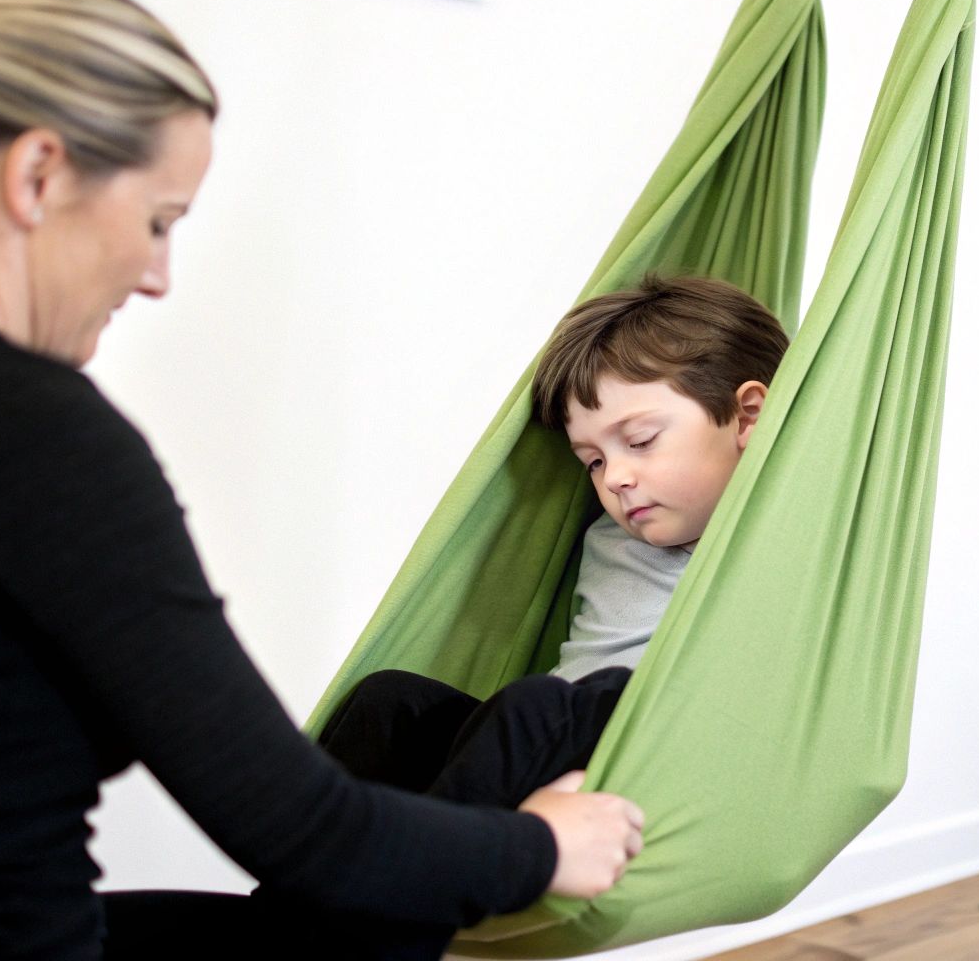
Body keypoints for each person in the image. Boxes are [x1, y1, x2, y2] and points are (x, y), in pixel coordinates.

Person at [0, 0, 642, 961]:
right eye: (157, 221)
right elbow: (307, 830)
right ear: (39, 175)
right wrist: (539, 845)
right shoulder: (25, 434)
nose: (157, 277)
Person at [317, 275, 787, 809]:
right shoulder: (607, 535)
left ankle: (444, 866)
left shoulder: (784, 528)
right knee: (390, 701)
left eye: (640, 441)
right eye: (594, 460)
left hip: (646, 752)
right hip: (543, 748)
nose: (615, 478)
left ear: (748, 415)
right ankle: (315, 882)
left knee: (538, 704)